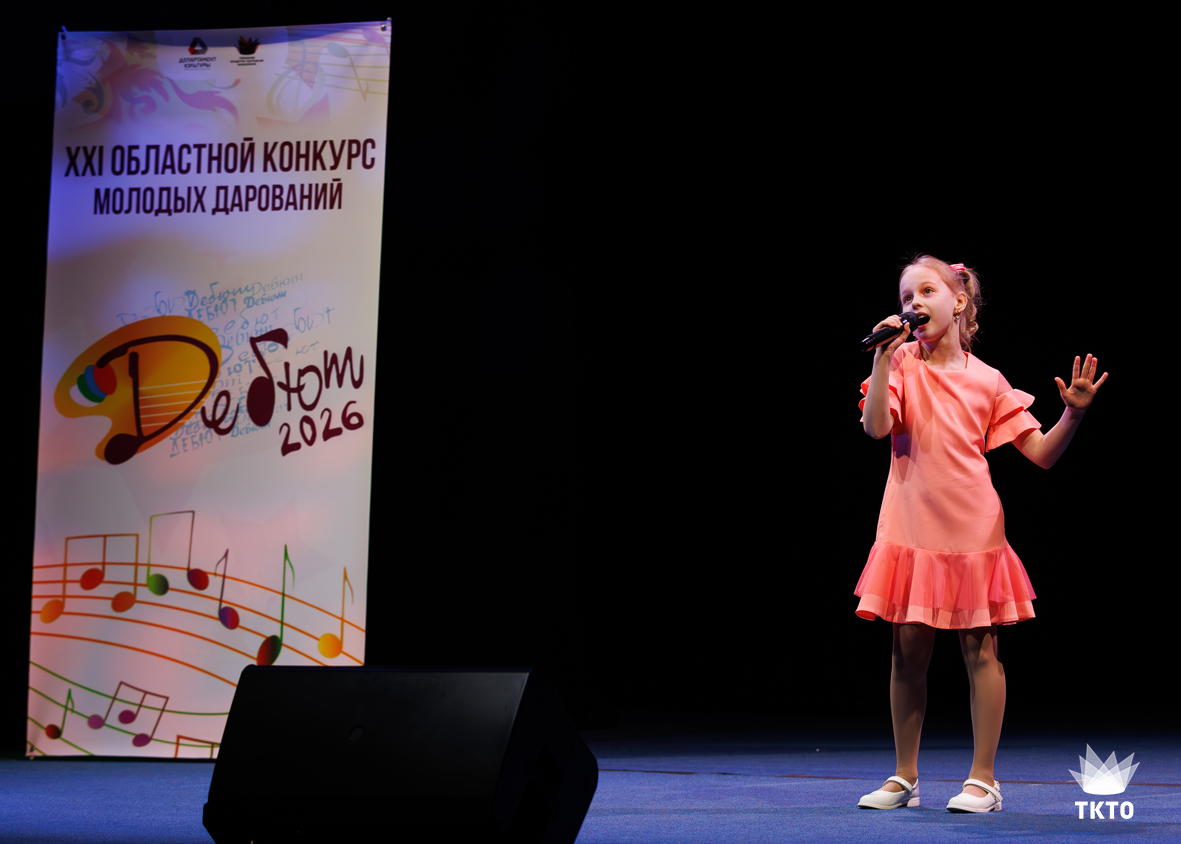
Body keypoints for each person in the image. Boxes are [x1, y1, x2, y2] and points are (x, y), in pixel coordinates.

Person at [853, 255, 1107, 813]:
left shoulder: (987, 379)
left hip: (973, 530)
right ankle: (904, 777)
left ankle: (984, 781)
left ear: (959, 301)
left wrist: (1073, 415)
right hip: (910, 528)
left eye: (926, 291)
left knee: (980, 651)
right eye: (906, 297)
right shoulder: (900, 365)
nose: (913, 304)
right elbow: (876, 427)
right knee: (907, 652)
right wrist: (882, 356)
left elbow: (1041, 454)